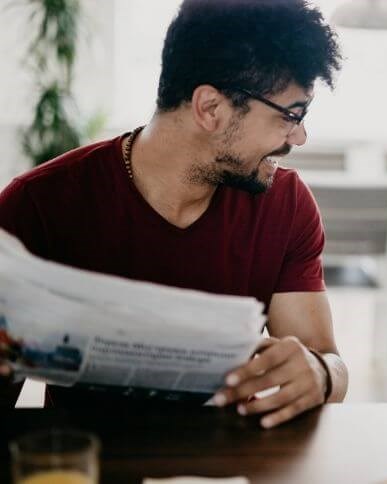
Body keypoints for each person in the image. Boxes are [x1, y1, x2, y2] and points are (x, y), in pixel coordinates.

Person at [0, 0, 347, 428]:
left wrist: (322, 374)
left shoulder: (287, 204)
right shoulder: (40, 204)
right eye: (291, 115)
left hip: (230, 467)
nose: (299, 136)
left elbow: (325, 357)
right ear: (210, 109)